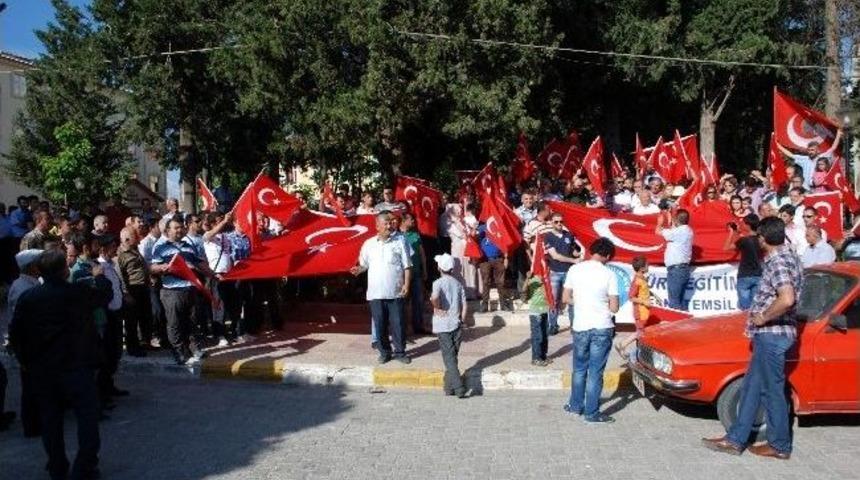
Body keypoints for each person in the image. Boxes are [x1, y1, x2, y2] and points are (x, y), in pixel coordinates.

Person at [703, 216, 803, 460]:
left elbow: (787, 298)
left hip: (773, 334)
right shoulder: (791, 257)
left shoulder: (778, 262)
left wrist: (764, 317)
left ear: (764, 238)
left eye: (759, 236)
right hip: (771, 335)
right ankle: (736, 439)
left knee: (771, 391)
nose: (757, 240)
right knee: (751, 387)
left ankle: (779, 445)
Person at [9, 250, 110, 480]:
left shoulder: (31, 297)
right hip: (76, 366)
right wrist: (100, 276)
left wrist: (26, 361)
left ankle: (57, 465)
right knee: (86, 417)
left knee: (51, 419)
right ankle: (83, 466)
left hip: (45, 369)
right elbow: (104, 296)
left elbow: (16, 334)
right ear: (65, 270)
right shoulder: (78, 292)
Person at [562, 237, 619, 424]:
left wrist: (581, 302)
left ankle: (575, 405)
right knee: (595, 372)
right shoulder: (609, 274)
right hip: (602, 326)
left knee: (579, 369)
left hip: (581, 326)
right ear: (608, 255)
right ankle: (591, 412)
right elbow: (614, 307)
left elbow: (566, 298)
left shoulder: (574, 269)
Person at [150, 218, 216, 365]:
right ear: (167, 231)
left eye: (181, 227)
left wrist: (213, 274)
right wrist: (162, 267)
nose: (179, 230)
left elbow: (199, 264)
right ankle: (179, 352)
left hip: (190, 289)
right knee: (174, 324)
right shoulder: (160, 247)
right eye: (175, 228)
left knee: (192, 321)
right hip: (172, 292)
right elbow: (152, 267)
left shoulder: (189, 246)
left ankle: (195, 348)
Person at [351, 212, 413, 364]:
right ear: (377, 226)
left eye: (391, 222)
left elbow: (408, 265)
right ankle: (384, 352)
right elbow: (364, 265)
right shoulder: (368, 244)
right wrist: (358, 270)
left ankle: (400, 352)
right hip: (376, 293)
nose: (389, 225)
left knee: (398, 324)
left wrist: (406, 285)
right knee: (380, 324)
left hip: (396, 291)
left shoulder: (400, 241)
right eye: (386, 223)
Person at [7, 249, 44, 437]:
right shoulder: (24, 288)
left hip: (33, 341)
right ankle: (32, 424)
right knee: (31, 385)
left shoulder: (31, 283)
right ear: (31, 267)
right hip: (30, 342)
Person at [95, 235, 129, 401]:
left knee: (115, 352)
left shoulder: (111, 265)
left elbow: (116, 286)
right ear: (103, 249)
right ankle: (102, 390)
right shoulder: (98, 267)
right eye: (112, 246)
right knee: (107, 354)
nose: (115, 249)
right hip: (107, 315)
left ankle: (109, 385)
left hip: (117, 312)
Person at [430, 253, 468, 397]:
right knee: (452, 356)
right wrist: (462, 320)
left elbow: (434, 297)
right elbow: (464, 305)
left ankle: (458, 387)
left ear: (439, 267)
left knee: (449, 356)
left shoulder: (437, 283)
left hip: (443, 325)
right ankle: (448, 387)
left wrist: (437, 306)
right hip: (456, 322)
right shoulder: (458, 284)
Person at [203, 213, 238, 346]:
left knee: (230, 305)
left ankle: (229, 331)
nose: (222, 223)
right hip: (216, 276)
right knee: (219, 306)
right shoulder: (207, 236)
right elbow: (208, 235)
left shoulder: (225, 237)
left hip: (228, 275)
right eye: (218, 221)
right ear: (212, 224)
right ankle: (219, 334)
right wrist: (224, 221)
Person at [544, 212, 580, 334]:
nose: (559, 224)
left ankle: (574, 326)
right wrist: (574, 260)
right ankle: (553, 326)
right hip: (555, 272)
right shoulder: (548, 236)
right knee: (553, 301)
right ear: (551, 222)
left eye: (561, 221)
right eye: (556, 222)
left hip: (569, 273)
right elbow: (555, 256)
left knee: (571, 300)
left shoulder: (569, 235)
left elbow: (574, 251)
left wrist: (582, 253)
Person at [116, 227, 151, 356]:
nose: (137, 238)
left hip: (143, 287)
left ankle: (145, 342)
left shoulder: (135, 250)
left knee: (145, 316)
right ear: (126, 239)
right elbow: (121, 275)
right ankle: (133, 347)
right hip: (132, 289)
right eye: (134, 236)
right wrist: (126, 293)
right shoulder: (121, 255)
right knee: (132, 320)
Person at [777, 129, 843, 189]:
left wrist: (838, 135)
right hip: (806, 188)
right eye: (809, 150)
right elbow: (791, 155)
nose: (810, 152)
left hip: (819, 188)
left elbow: (833, 148)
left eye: (812, 150)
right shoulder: (805, 159)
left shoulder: (822, 158)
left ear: (818, 151)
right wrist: (778, 145)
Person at [656, 209, 693, 310]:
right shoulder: (687, 230)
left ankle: (677, 325)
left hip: (676, 270)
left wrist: (659, 223)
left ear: (677, 220)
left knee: (674, 303)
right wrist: (670, 217)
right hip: (682, 269)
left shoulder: (679, 232)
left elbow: (658, 231)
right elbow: (673, 229)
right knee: (679, 301)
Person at [614, 255, 650, 359]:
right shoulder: (637, 281)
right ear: (642, 268)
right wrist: (644, 302)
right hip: (640, 312)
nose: (649, 266)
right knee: (640, 333)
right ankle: (622, 344)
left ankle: (639, 354)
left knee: (641, 334)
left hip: (644, 311)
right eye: (647, 265)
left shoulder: (642, 279)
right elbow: (631, 297)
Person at [724, 214, 763, 310]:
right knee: (755, 307)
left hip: (744, 275)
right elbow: (748, 239)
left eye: (744, 223)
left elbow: (726, 247)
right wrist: (738, 232)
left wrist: (731, 232)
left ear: (748, 225)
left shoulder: (744, 240)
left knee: (745, 308)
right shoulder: (761, 240)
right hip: (758, 274)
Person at [476, 219, 512, 313]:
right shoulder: (481, 228)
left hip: (498, 258)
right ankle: (484, 305)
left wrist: (506, 257)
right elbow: (474, 236)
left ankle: (503, 304)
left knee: (501, 282)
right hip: (485, 260)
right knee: (485, 282)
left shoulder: (499, 226)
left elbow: (505, 242)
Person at [400, 212, 428, 334]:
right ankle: (403, 328)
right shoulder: (397, 236)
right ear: (404, 220)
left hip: (416, 273)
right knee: (403, 302)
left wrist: (425, 269)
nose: (413, 221)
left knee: (418, 300)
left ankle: (418, 326)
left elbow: (422, 254)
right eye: (411, 219)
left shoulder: (415, 235)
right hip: (402, 275)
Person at [522, 269, 551, 366]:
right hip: (535, 311)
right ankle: (536, 358)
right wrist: (527, 278)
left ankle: (543, 356)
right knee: (537, 336)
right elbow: (523, 290)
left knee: (545, 335)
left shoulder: (547, 277)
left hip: (544, 310)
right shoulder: (532, 278)